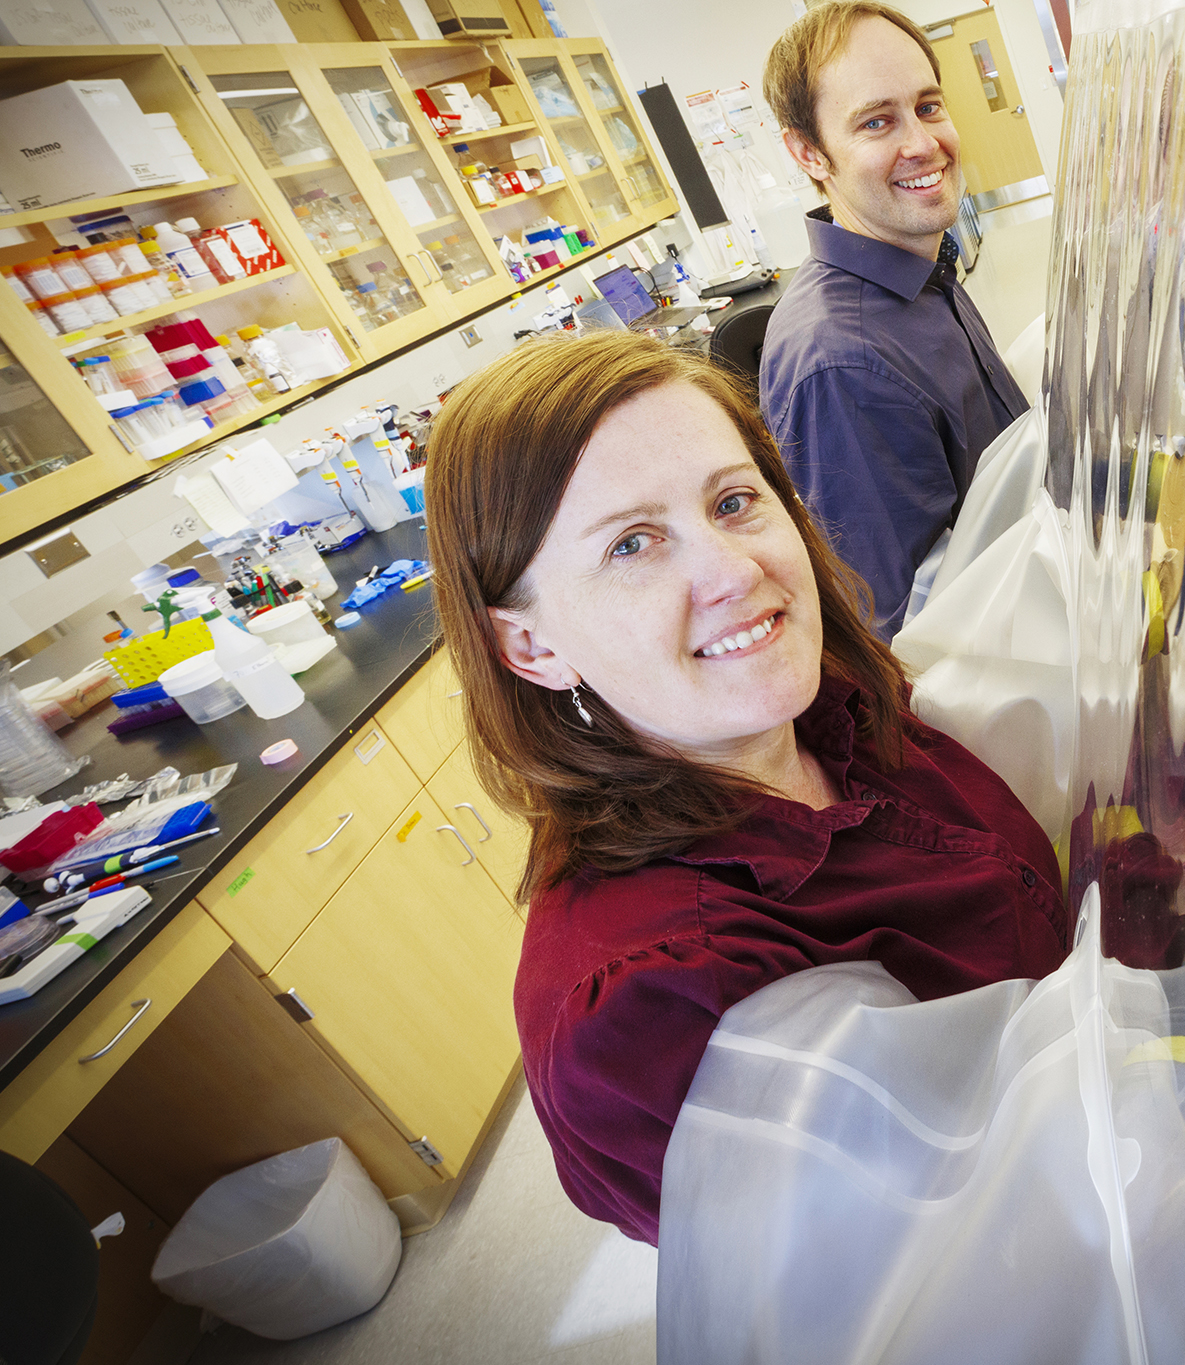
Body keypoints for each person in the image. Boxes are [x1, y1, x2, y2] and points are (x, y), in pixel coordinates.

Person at [423, 331, 1069, 1245]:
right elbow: (946, 1276)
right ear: (530, 646)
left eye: (734, 501)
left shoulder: (831, 709)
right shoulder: (658, 996)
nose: (734, 571)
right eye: (633, 545)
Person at [758, 0, 1030, 635]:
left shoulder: (920, 269)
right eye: (876, 123)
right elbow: (914, 632)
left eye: (928, 107)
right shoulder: (844, 363)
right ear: (809, 154)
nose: (923, 143)